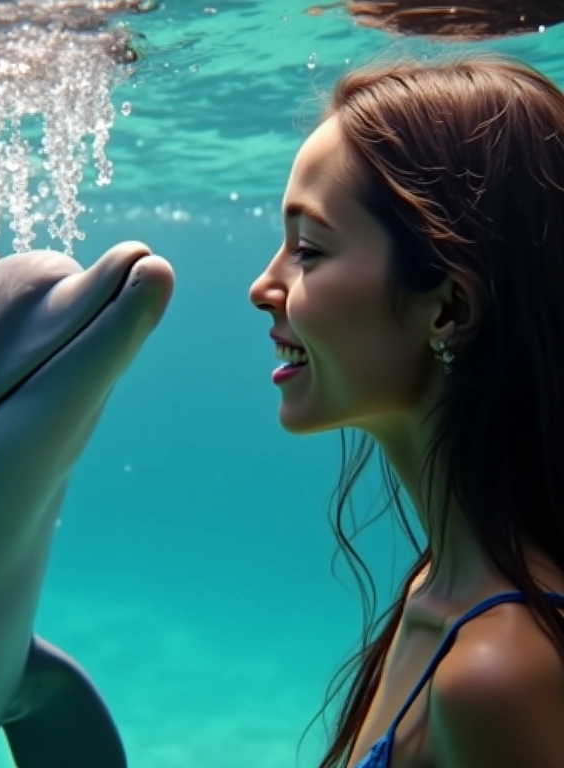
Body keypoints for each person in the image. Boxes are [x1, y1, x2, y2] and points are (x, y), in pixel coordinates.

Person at [249, 53, 564, 768]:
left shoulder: (498, 674)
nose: (262, 285)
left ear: (449, 308)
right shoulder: (440, 587)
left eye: (308, 250)